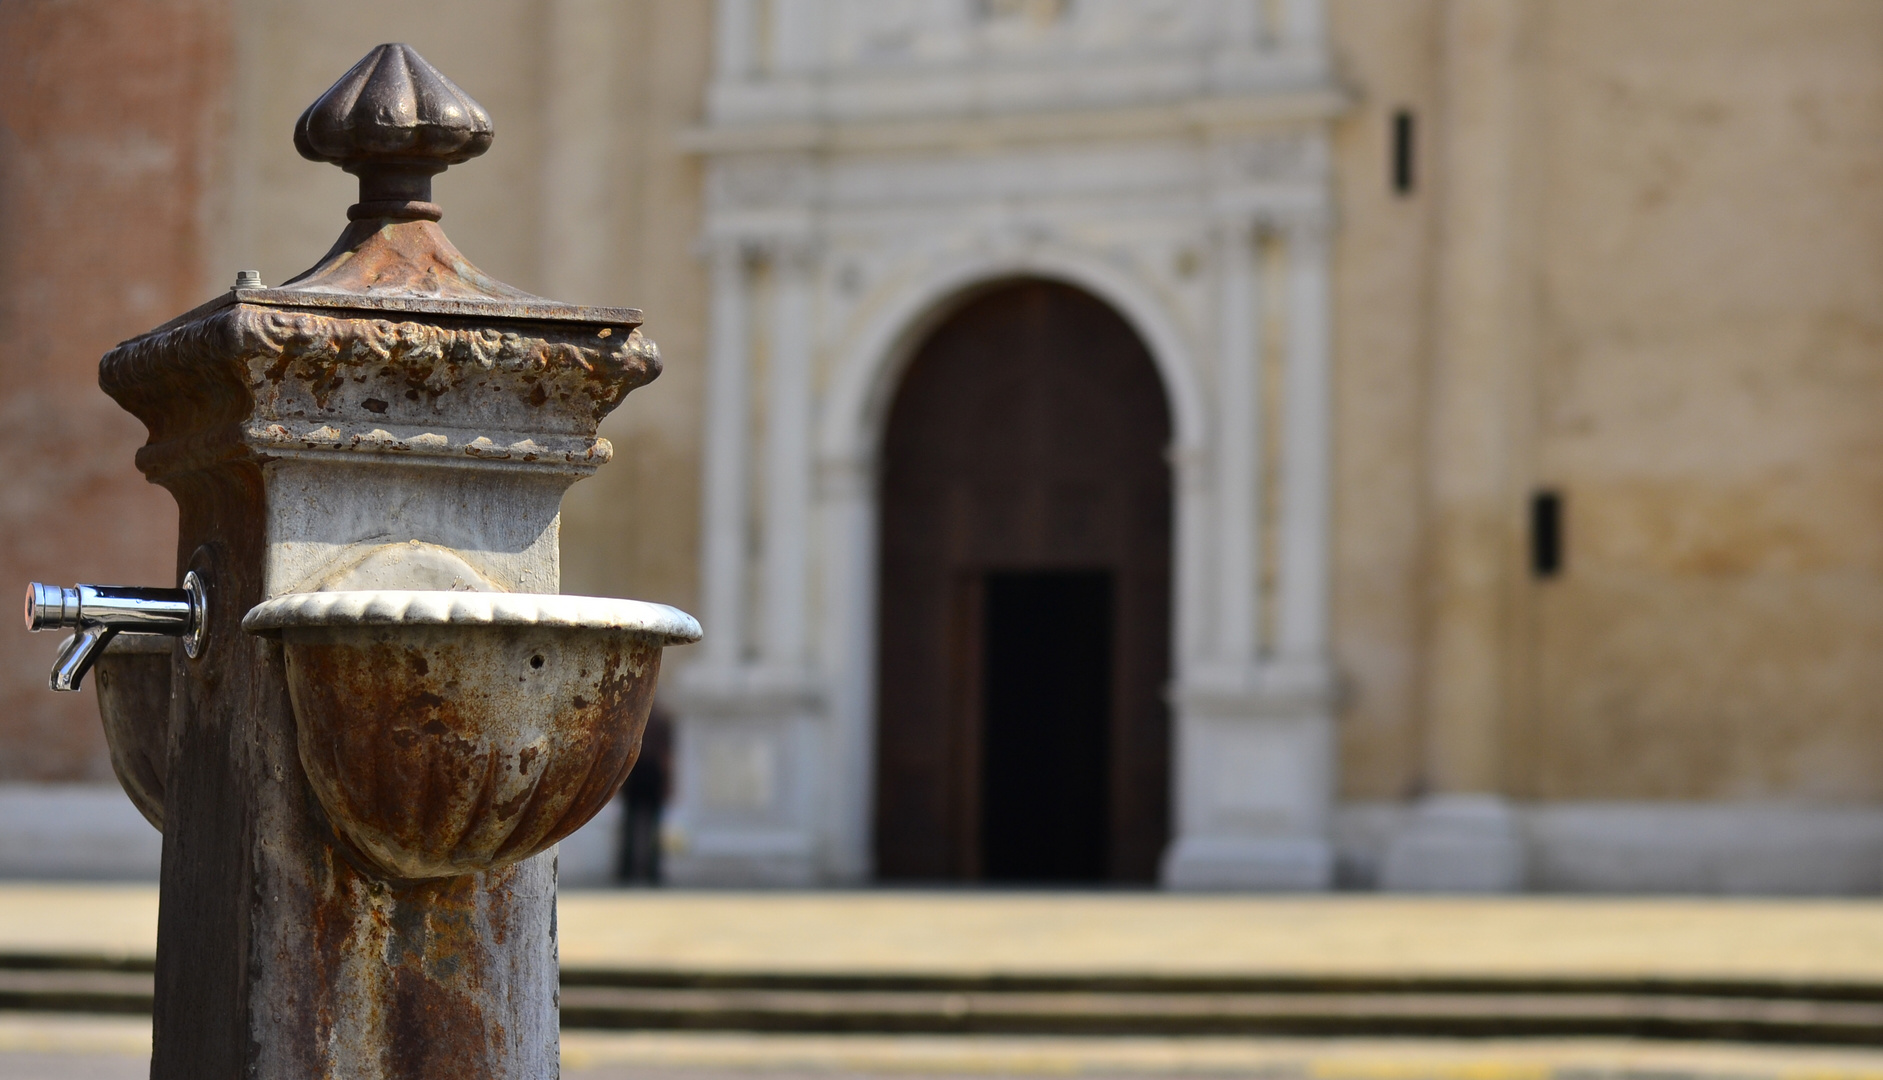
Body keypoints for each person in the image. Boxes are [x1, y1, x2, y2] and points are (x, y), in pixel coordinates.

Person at [616, 705, 672, 884]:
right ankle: (649, 871)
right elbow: (666, 757)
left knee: (635, 826)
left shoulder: (635, 717)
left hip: (638, 773)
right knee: (646, 826)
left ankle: (629, 870)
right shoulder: (661, 720)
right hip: (647, 774)